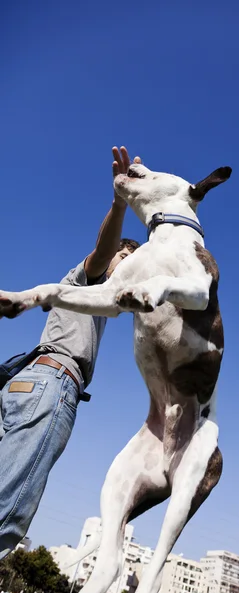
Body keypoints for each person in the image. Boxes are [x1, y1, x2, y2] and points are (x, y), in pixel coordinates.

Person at [0, 146, 140, 559]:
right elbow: (102, 253)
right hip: (50, 384)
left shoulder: (98, 305)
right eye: (128, 259)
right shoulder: (85, 280)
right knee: (7, 511)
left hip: (26, 384)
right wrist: (119, 203)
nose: (131, 269)